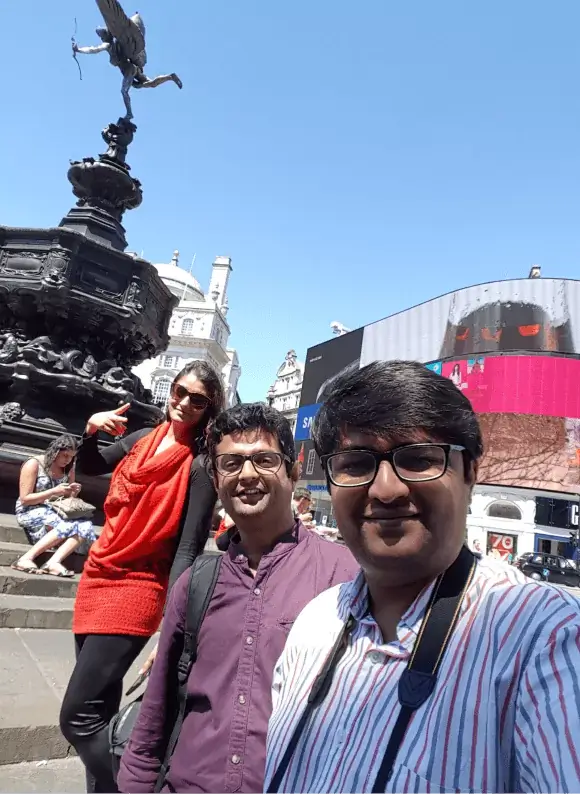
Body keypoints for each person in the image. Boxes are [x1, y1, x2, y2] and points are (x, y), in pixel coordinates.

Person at [264, 360, 580, 794]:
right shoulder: (315, 623)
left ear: (470, 472)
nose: (386, 490)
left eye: (418, 459)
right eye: (355, 464)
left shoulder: (544, 637)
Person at [117, 403, 358, 794]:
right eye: (231, 463)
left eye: (264, 460)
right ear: (216, 479)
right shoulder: (196, 584)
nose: (247, 475)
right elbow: (156, 708)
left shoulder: (346, 577)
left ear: (293, 471)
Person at [59, 360, 224, 794]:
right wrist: (90, 430)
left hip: (138, 586)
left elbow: (188, 548)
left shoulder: (201, 465)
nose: (184, 403)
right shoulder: (141, 439)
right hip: (98, 574)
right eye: (179, 391)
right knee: (100, 709)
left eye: (198, 400)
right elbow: (90, 467)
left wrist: (174, 622)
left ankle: (135, 786)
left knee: (77, 718)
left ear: (209, 409)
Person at [12, 434, 96, 578]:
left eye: (71, 457)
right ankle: (25, 559)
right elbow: (25, 499)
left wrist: (73, 493)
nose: (67, 460)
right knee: (67, 524)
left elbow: (66, 500)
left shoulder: (68, 469)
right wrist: (53, 491)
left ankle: (53, 562)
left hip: (55, 511)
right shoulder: (34, 464)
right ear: (55, 451)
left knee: (86, 525)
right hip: (29, 510)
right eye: (65, 455)